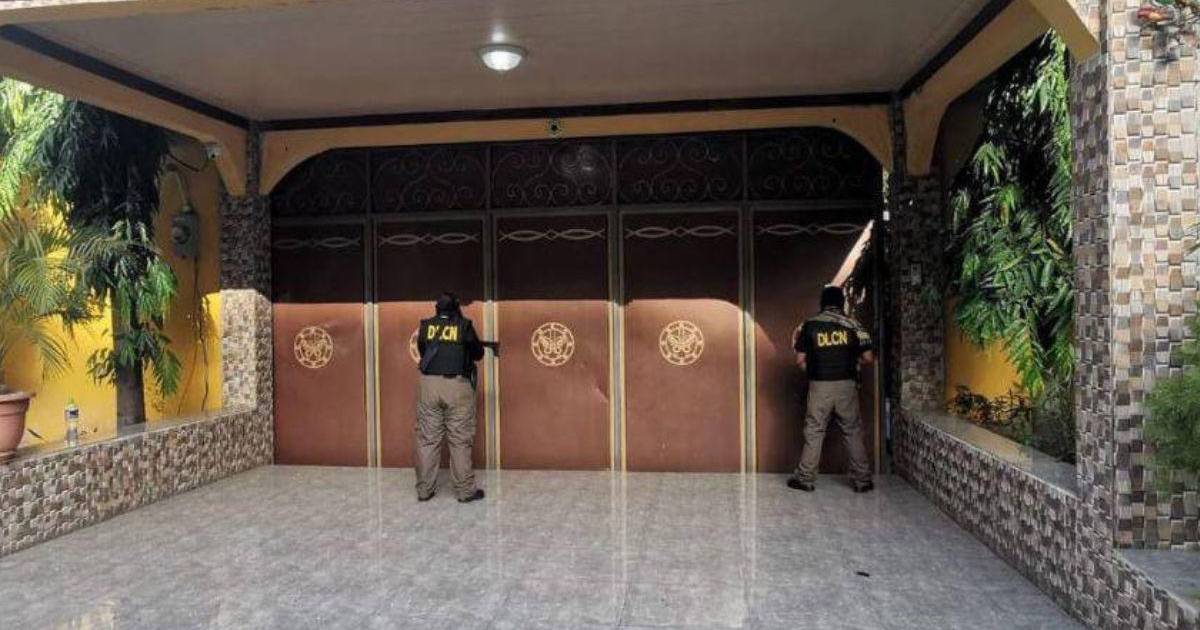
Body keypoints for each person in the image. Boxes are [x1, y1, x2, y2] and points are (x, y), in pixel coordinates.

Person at [788, 285, 875, 493]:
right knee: (852, 430)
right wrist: (852, 364)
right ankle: (863, 480)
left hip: (819, 385)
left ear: (823, 303)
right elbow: (868, 357)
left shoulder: (809, 325)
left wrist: (816, 370)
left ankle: (805, 479)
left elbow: (800, 360)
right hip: (847, 385)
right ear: (841, 303)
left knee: (815, 430)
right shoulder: (854, 325)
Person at [415, 292, 486, 503]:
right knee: (459, 440)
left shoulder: (426, 326)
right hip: (457, 387)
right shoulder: (464, 326)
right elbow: (478, 354)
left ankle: (424, 490)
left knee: (427, 439)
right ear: (456, 307)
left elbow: (423, 351)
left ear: (437, 308)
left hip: (429, 386)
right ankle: (465, 492)